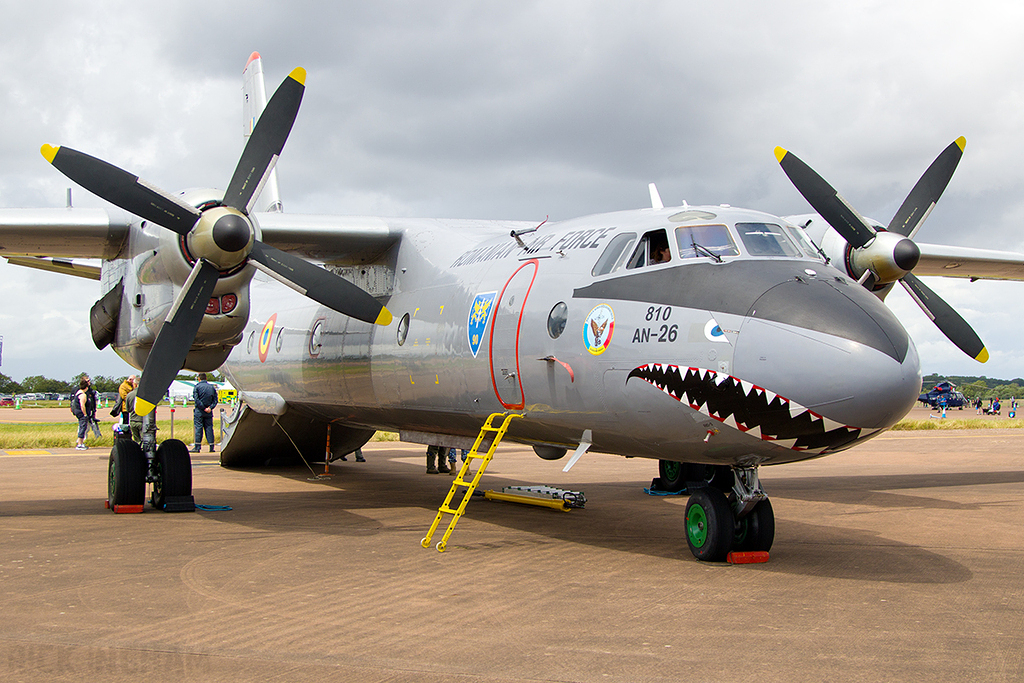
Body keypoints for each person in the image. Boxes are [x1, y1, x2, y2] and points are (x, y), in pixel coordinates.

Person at [192, 373, 218, 453]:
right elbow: (215, 400)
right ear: (206, 378)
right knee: (209, 428)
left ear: (199, 379)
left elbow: (196, 399)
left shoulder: (197, 387)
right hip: (209, 412)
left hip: (199, 411)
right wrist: (210, 408)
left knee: (198, 428)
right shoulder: (211, 387)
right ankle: (211, 446)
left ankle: (197, 446)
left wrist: (203, 408)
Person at [73, 376, 98, 450]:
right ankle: (80, 443)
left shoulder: (78, 392)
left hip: (79, 412)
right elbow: (82, 405)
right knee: (83, 427)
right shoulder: (83, 395)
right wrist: (85, 414)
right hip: (81, 413)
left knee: (83, 427)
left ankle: (80, 442)